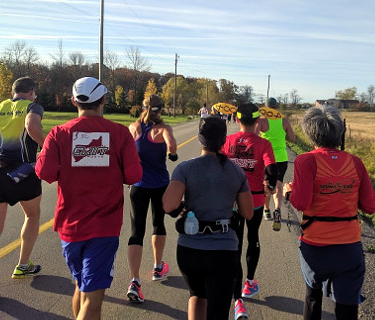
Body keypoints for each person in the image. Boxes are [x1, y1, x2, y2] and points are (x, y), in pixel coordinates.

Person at [35, 77, 143, 320]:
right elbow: (135, 175)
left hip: (70, 228)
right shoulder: (119, 133)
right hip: (104, 227)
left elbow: (45, 173)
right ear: (103, 100)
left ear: (74, 101)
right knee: (93, 301)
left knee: (81, 287)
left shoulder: (58, 133)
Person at [283, 106, 375, 320]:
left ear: (310, 132)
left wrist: (289, 192)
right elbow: (370, 206)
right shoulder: (355, 162)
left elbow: (301, 202)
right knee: (347, 307)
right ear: (339, 132)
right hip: (349, 248)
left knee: (313, 298)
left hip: (315, 247)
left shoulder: (306, 161)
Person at [163, 116, 253, 320]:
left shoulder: (185, 168)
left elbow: (169, 205)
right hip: (223, 249)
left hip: (190, 248)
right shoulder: (236, 172)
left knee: (197, 296)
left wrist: (184, 207)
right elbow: (247, 213)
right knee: (219, 308)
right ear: (224, 141)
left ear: (199, 138)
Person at [0, 76, 45, 302]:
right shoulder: (33, 106)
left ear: (13, 92)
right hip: (24, 171)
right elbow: (31, 125)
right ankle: (23, 265)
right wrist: (45, 145)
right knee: (32, 215)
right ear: (31, 91)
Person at [222, 102, 277, 319]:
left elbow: (220, 166)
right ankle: (250, 283)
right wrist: (269, 185)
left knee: (235, 244)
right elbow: (272, 170)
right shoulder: (264, 144)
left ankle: (237, 299)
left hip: (233, 201)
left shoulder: (227, 141)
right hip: (254, 200)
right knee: (253, 237)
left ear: (236, 119)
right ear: (257, 121)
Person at [126, 94, 178, 303]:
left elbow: (126, 151)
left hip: (138, 186)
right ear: (160, 110)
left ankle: (134, 280)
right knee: (158, 224)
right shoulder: (163, 129)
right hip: (159, 186)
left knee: (136, 231)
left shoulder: (133, 128)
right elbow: (172, 147)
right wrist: (171, 155)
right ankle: (158, 267)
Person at [258, 97, 296, 231]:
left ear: (265, 107)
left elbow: (255, 137)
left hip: (266, 158)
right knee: (278, 184)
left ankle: (267, 209)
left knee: (267, 184)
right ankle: (278, 209)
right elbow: (293, 138)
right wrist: (282, 135)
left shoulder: (262, 120)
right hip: (281, 157)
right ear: (277, 107)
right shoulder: (284, 120)